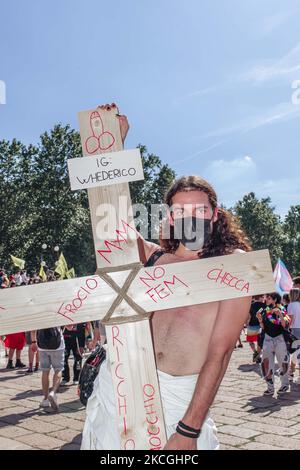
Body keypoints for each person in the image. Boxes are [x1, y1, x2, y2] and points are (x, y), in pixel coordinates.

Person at [81, 105, 252, 451]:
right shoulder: (151, 255)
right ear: (170, 217)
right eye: (180, 210)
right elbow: (107, 223)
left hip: (180, 403)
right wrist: (113, 148)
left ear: (215, 214)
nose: (190, 217)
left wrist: (189, 430)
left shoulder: (232, 267)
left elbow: (219, 355)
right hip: (121, 391)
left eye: (199, 209)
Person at [258, 292, 291, 396]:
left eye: (268, 298)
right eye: (266, 297)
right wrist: (260, 320)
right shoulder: (265, 310)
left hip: (279, 339)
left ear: (275, 300)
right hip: (267, 339)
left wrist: (280, 315)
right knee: (266, 363)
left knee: (283, 362)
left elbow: (285, 324)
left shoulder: (281, 309)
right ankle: (270, 387)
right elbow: (263, 327)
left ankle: (284, 385)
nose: (266, 299)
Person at [31, 327, 65, 412]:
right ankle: (53, 392)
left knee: (45, 372)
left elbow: (33, 328)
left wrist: (33, 342)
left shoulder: (39, 314)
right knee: (58, 369)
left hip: (42, 345)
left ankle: (45, 399)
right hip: (58, 346)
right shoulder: (58, 313)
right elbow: (69, 326)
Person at [287, 288, 300, 384]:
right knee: (297, 353)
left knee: (296, 353)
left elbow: (290, 320)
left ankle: (291, 372)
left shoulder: (291, 305)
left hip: (295, 330)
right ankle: (291, 372)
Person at [247, 295, 265, 363]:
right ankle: (258, 354)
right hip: (261, 325)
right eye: (263, 297)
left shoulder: (250, 305)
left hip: (252, 325)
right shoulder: (264, 305)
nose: (263, 299)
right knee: (259, 341)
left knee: (251, 341)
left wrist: (247, 324)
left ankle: (255, 352)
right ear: (260, 297)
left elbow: (248, 316)